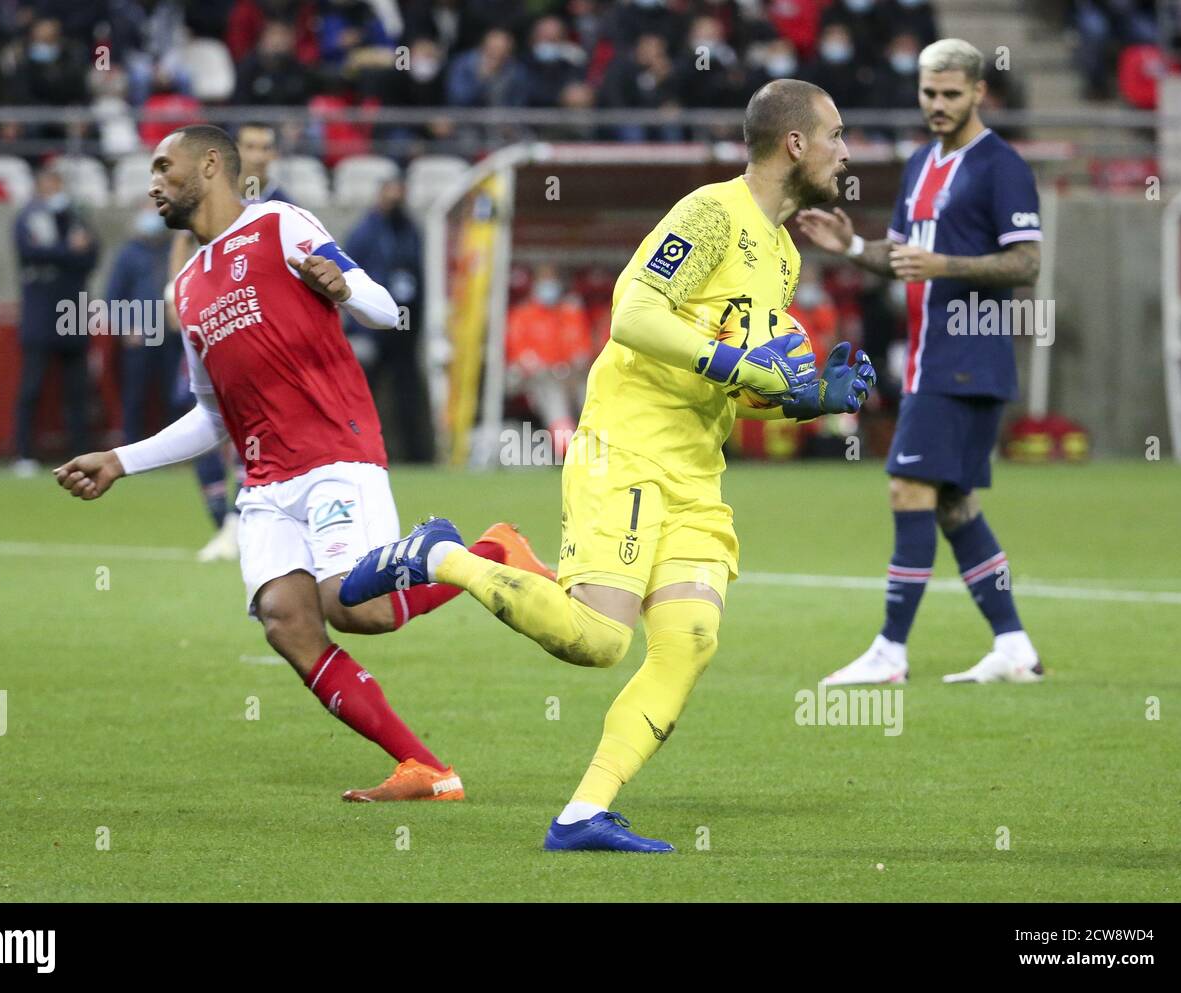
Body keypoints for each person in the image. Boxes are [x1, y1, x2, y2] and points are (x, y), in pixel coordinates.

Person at [338, 80, 874, 850]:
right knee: (598, 641)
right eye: (837, 134)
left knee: (690, 639)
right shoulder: (710, 213)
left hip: (695, 467)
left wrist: (807, 396)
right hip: (625, 445)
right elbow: (633, 312)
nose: (846, 150)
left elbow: (741, 378)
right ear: (795, 143)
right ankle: (442, 554)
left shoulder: (783, 256)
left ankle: (582, 812)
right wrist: (748, 367)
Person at [54, 126, 554, 802]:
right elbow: (212, 414)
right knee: (288, 620)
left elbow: (386, 309)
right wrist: (122, 458)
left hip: (333, 454)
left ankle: (491, 550)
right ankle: (427, 769)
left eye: (162, 166)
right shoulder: (188, 288)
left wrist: (345, 287)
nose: (151, 182)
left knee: (357, 607)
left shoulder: (279, 224)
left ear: (208, 164)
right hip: (265, 484)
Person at [796, 38, 1044, 685]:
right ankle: (1014, 646)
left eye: (951, 94)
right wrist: (851, 243)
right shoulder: (920, 164)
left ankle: (890, 651)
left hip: (967, 355)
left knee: (907, 485)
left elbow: (1027, 261)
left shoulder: (1002, 167)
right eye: (929, 93)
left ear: (979, 92)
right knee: (953, 503)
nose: (937, 105)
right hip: (929, 359)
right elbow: (901, 255)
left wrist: (947, 266)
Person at [166, 121, 291, 561]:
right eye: (251, 145)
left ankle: (242, 520)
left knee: (248, 424)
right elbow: (184, 242)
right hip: (208, 323)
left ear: (274, 154)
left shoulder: (282, 206)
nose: (258, 153)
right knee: (198, 412)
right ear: (238, 150)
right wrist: (175, 294)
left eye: (266, 146)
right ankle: (222, 521)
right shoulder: (216, 195)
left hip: (253, 330)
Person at [13, 159, 98, 476]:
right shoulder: (27, 217)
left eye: (57, 183)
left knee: (77, 389)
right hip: (40, 313)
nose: (53, 189)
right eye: (48, 183)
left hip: (73, 312)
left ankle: (80, 453)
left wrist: (63, 253)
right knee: (31, 387)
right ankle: (23, 453)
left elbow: (91, 255)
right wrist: (68, 251)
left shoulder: (76, 216)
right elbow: (30, 253)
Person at [341, 177, 434, 463]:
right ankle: (358, 452)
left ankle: (416, 456)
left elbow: (419, 276)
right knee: (364, 394)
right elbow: (348, 277)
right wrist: (356, 327)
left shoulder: (410, 230)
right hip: (372, 329)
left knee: (407, 396)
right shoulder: (364, 232)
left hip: (404, 330)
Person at [106, 208, 177, 445]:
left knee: (174, 395)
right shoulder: (129, 253)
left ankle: (174, 447)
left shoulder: (174, 249)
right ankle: (130, 446)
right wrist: (126, 328)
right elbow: (113, 297)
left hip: (172, 335)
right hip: (141, 335)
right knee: (135, 394)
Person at [504, 263, 593, 451]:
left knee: (588, 392)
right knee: (553, 396)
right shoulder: (523, 314)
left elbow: (582, 350)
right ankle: (568, 451)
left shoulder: (569, 312)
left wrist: (571, 367)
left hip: (569, 376)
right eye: (544, 282)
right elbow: (518, 355)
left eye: (552, 281)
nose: (549, 286)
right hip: (536, 379)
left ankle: (597, 446)